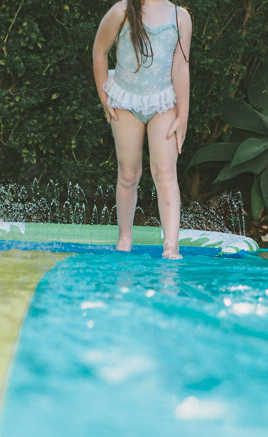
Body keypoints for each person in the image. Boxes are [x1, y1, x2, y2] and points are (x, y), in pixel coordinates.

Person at [93, 0, 192, 260]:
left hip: (162, 103)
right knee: (128, 174)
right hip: (125, 102)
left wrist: (183, 115)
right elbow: (99, 52)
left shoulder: (179, 16)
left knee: (164, 171)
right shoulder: (122, 11)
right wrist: (105, 99)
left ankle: (171, 245)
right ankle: (125, 237)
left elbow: (181, 67)